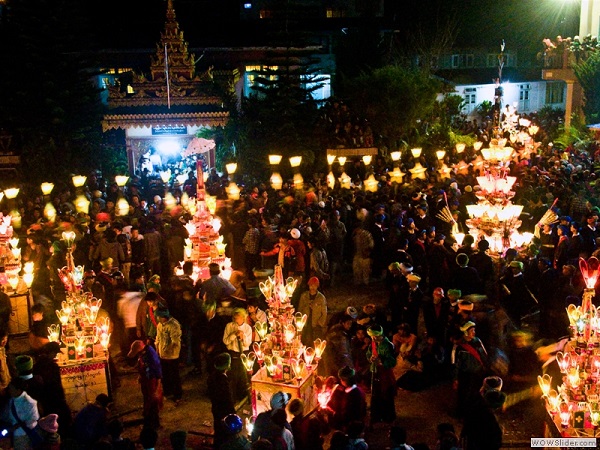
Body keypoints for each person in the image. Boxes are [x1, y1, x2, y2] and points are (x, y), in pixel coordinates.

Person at [453, 321, 488, 418]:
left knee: (476, 394)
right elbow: (455, 364)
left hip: (477, 373)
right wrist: (455, 378)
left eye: (474, 330)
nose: (474, 332)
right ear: (465, 332)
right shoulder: (458, 347)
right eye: (472, 330)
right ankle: (461, 415)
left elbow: (484, 355)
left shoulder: (477, 341)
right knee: (464, 395)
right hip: (465, 375)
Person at [127, 340, 162, 429]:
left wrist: (157, 388)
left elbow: (158, 372)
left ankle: (154, 424)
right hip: (146, 381)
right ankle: (149, 421)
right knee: (147, 401)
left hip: (151, 382)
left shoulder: (151, 355)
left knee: (152, 403)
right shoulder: (143, 353)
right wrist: (140, 375)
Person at [366, 324, 396, 425]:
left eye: (376, 336)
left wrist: (381, 361)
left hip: (385, 374)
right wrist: (370, 358)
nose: (374, 338)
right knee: (375, 394)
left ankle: (388, 417)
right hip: (375, 371)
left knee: (386, 395)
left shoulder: (388, 345)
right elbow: (369, 353)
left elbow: (392, 362)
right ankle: (377, 416)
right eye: (372, 336)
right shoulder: (373, 343)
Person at [223, 308, 253, 403]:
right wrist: (234, 335)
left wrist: (243, 336)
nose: (236, 320)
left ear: (243, 318)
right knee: (233, 377)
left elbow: (247, 343)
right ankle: (233, 398)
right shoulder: (229, 326)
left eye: (238, 318)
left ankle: (243, 396)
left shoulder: (248, 328)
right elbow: (225, 341)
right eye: (235, 318)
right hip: (233, 354)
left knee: (243, 376)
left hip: (243, 353)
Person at [1, 378, 40, 450]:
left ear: (18, 390)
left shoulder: (29, 402)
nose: (9, 391)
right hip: (15, 434)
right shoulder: (12, 400)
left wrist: (16, 426)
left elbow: (33, 419)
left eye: (11, 389)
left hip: (24, 434)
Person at [154, 307, 183, 405]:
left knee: (174, 375)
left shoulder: (174, 325)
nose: (158, 318)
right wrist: (157, 350)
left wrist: (168, 349)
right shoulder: (160, 325)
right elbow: (158, 338)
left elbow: (175, 341)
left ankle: (177, 395)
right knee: (165, 374)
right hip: (163, 355)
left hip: (172, 355)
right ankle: (167, 391)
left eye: (159, 316)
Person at [207, 353, 236, 449]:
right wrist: (233, 413)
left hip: (216, 408)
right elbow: (227, 399)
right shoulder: (223, 382)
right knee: (225, 432)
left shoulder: (212, 377)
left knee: (218, 429)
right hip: (225, 411)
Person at [297, 277, 327, 346]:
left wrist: (320, 323)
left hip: (316, 324)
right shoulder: (304, 296)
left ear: (317, 286)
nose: (312, 287)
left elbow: (324, 313)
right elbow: (300, 309)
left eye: (314, 285)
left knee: (315, 342)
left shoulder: (321, 298)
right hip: (306, 323)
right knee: (304, 340)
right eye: (311, 285)